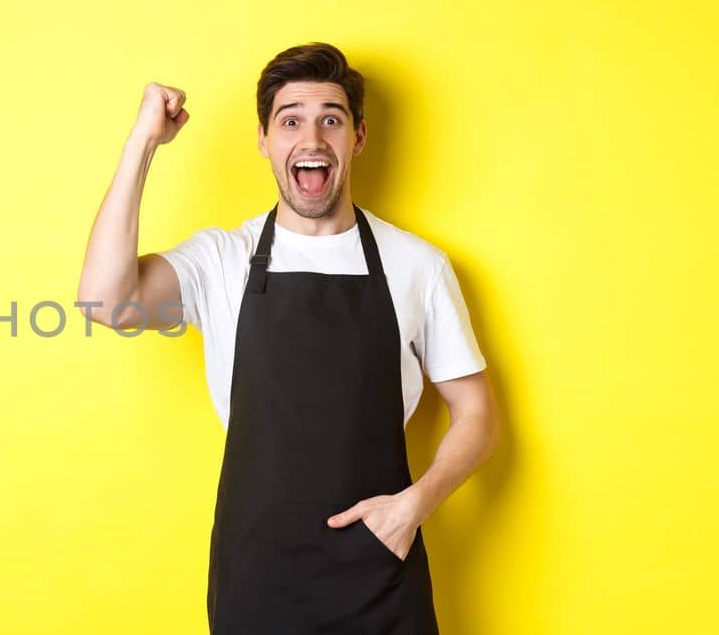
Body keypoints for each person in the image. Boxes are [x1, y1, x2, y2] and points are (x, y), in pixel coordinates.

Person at [75, 42, 500, 634]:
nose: (312, 138)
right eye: (290, 120)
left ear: (358, 137)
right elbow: (104, 301)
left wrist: (413, 508)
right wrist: (143, 141)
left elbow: (477, 413)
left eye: (332, 118)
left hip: (380, 567)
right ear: (265, 140)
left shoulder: (416, 266)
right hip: (257, 576)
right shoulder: (223, 259)